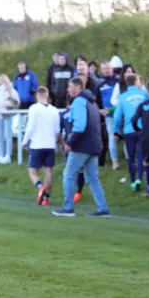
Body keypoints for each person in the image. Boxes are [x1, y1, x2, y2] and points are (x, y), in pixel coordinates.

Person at [53, 77, 110, 217]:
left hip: (81, 146)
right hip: (94, 145)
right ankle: (103, 209)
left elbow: (79, 126)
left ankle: (68, 208)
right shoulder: (92, 102)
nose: (67, 90)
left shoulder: (79, 102)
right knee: (92, 178)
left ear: (78, 88)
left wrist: (70, 143)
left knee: (69, 174)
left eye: (70, 87)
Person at [22, 87, 60, 206]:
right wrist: (55, 141)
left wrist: (24, 141)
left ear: (37, 96)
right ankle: (46, 199)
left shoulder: (34, 108)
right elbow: (57, 129)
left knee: (33, 170)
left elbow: (30, 127)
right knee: (48, 171)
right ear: (47, 95)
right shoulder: (54, 110)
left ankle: (40, 187)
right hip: (50, 144)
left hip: (37, 144)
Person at [114, 74, 148, 192]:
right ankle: (139, 178)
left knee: (131, 157)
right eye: (139, 80)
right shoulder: (143, 95)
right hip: (142, 130)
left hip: (128, 131)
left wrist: (115, 130)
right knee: (141, 155)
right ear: (135, 82)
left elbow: (117, 115)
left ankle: (133, 182)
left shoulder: (122, 97)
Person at [0, 74, 20, 164]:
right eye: (0, 79)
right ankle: (1, 154)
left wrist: (6, 104)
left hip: (7, 114)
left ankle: (8, 155)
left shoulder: (11, 90)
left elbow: (16, 102)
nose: (1, 81)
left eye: (3, 79)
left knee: (8, 135)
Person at [97, 61, 120, 170]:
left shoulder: (118, 80)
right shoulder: (100, 83)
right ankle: (115, 161)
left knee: (124, 135)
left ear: (112, 68)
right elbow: (97, 100)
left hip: (121, 112)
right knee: (112, 136)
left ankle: (130, 158)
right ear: (102, 70)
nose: (106, 70)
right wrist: (101, 110)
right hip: (108, 114)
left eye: (108, 68)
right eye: (104, 68)